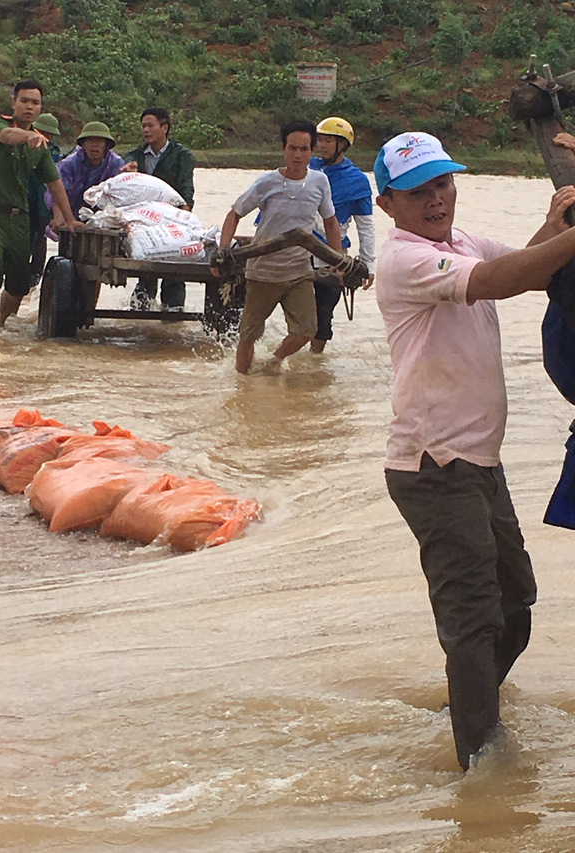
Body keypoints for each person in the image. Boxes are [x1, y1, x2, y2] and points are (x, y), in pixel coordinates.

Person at [373, 130, 575, 771]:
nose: (436, 199)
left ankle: (469, 698)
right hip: (434, 465)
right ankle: (481, 767)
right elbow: (499, 281)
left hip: (479, 461)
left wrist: (552, 224)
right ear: (387, 204)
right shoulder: (404, 259)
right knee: (472, 617)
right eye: (417, 191)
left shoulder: (457, 243)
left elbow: (529, 261)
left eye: (442, 183)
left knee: (515, 598)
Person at [213, 119, 342, 374]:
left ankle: (274, 360)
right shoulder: (266, 182)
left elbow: (330, 222)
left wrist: (338, 261)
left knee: (307, 329)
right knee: (248, 334)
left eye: (304, 149)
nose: (297, 155)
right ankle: (242, 384)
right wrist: (223, 251)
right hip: (263, 272)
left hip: (299, 271)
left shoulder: (320, 182)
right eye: (292, 148)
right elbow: (234, 214)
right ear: (283, 149)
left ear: (311, 152)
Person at [0, 79, 80, 335]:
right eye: (24, 101)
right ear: (14, 103)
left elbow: (55, 183)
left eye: (35, 102)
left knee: (19, 284)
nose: (29, 106)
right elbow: (7, 136)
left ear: (41, 108)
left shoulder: (41, 146)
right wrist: (28, 135)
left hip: (19, 219)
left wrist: (70, 218)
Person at [309, 116, 375, 352]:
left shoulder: (357, 181)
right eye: (320, 140)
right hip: (296, 252)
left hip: (332, 256)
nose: (322, 145)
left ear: (342, 145)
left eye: (329, 141)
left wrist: (368, 264)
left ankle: (314, 357)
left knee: (322, 318)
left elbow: (365, 225)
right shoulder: (306, 167)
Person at [123, 107, 195, 310]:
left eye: (150, 125)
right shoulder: (137, 155)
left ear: (164, 127)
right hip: (144, 220)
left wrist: (184, 216)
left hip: (172, 219)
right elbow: (126, 163)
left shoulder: (182, 156)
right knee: (146, 273)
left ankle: (174, 312)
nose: (146, 130)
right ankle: (140, 310)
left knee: (174, 272)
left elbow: (186, 189)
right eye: (143, 126)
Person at [45, 121, 125, 226]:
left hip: (105, 214)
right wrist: (59, 217)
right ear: (83, 144)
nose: (95, 145)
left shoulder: (116, 163)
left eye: (100, 141)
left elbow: (121, 193)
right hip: (71, 211)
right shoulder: (69, 164)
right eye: (90, 140)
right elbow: (56, 190)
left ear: (106, 145)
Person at [28, 112, 62, 289]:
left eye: (50, 135)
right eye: (43, 132)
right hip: (23, 207)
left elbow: (58, 184)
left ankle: (32, 287)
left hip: (44, 209)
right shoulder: (23, 148)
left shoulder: (55, 154)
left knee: (39, 248)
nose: (46, 137)